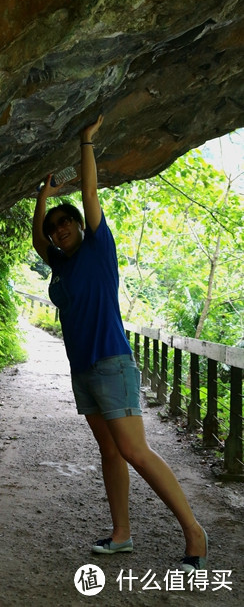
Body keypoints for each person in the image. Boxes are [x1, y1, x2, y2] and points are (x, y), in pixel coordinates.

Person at [32, 114, 207, 572]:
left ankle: (194, 530)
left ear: (79, 225)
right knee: (109, 451)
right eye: (55, 228)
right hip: (83, 369)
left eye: (65, 223)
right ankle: (121, 535)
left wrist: (86, 142)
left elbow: (90, 194)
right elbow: (36, 240)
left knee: (134, 450)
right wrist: (41, 200)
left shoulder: (98, 248)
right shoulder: (61, 267)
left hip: (111, 361)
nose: (59, 230)